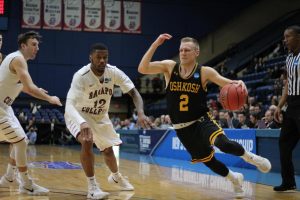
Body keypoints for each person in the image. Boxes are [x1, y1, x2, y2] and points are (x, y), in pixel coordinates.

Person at [138, 33, 271, 198]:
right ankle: (234, 179)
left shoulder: (204, 72)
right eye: (181, 50)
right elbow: (142, 68)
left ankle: (251, 158)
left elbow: (227, 83)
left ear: (196, 53)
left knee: (223, 143)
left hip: (201, 120)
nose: (183, 53)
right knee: (208, 161)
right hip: (182, 128)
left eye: (187, 50)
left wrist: (239, 83)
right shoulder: (170, 67)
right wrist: (156, 44)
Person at [64, 43, 151, 199]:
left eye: (105, 57)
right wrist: (82, 122)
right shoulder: (81, 76)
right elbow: (69, 104)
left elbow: (134, 92)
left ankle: (116, 177)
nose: (102, 60)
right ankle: (92, 187)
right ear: (91, 57)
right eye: (98, 57)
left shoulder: (113, 72)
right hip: (78, 114)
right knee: (87, 140)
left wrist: (141, 112)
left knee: (108, 150)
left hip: (100, 116)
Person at [0, 31, 62, 195]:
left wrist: (32, 89)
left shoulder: (14, 59)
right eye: (33, 45)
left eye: (38, 45)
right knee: (20, 142)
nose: (37, 48)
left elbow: (18, 84)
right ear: (23, 46)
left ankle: (9, 177)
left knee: (21, 141)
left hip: (6, 108)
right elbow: (29, 87)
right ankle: (26, 184)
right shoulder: (18, 59)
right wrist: (49, 98)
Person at [273, 25, 300, 192]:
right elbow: (288, 84)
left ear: (298, 36)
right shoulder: (289, 58)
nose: (285, 40)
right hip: (292, 105)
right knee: (284, 143)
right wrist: (280, 105)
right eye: (284, 37)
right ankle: (288, 181)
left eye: (288, 36)